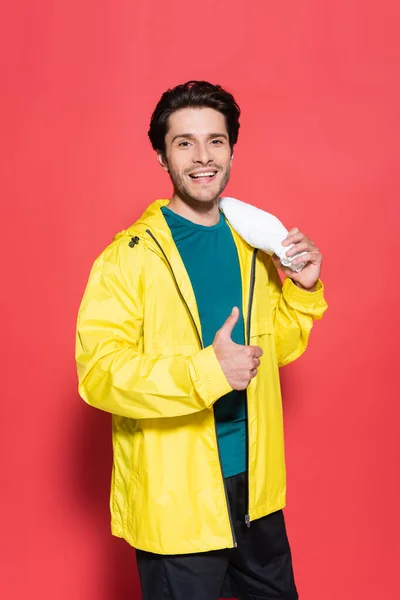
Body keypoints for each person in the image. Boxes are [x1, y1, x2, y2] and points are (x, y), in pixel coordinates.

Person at [76, 80, 328, 600]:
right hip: (177, 503)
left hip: (255, 492)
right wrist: (207, 372)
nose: (202, 156)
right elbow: (99, 375)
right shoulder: (128, 257)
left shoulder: (252, 241)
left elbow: (268, 350)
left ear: (232, 149)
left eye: (215, 140)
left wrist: (301, 293)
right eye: (184, 142)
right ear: (162, 159)